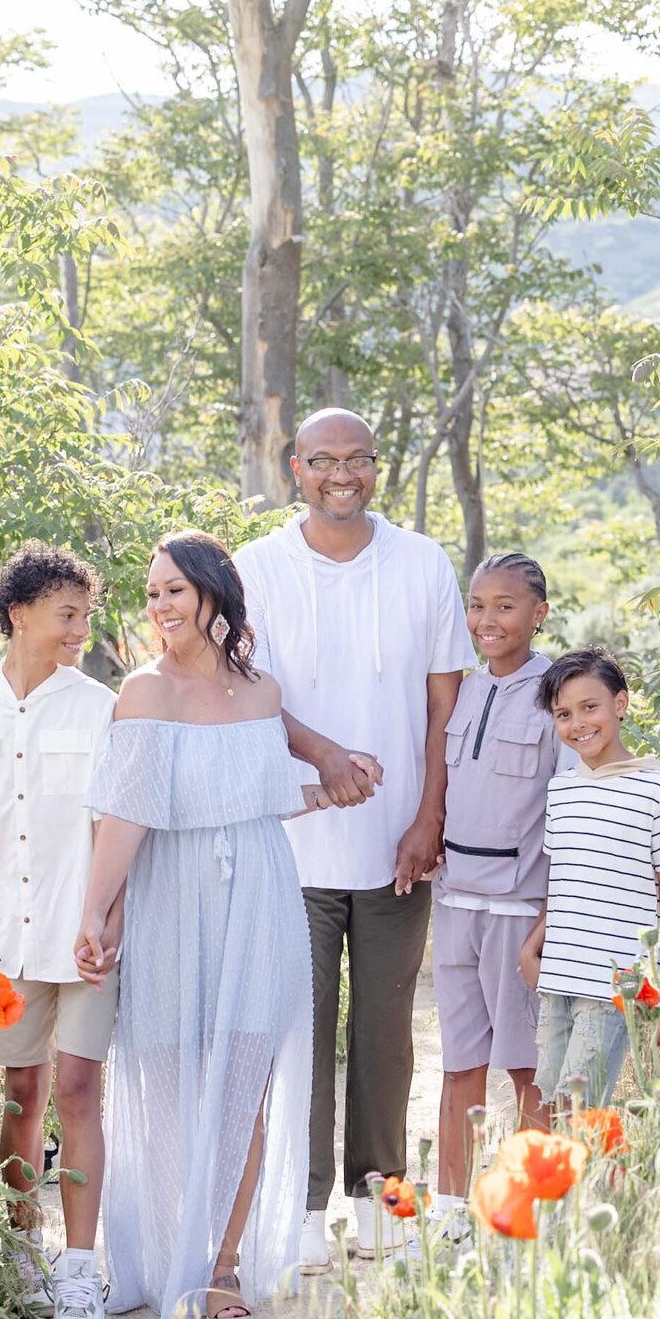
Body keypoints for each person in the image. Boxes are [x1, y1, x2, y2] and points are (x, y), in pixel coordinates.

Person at [75, 530, 348, 1319]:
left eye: (174, 591)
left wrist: (332, 790)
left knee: (244, 1080)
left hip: (258, 890)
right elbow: (126, 816)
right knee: (168, 1076)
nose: (160, 606)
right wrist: (96, 909)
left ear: (213, 594)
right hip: (172, 894)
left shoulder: (261, 691)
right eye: (153, 592)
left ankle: (226, 1266)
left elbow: (259, 795)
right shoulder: (145, 693)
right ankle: (174, 1255)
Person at [234, 408, 471, 1274]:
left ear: (378, 466)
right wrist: (325, 755)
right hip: (291, 842)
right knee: (299, 1030)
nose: (343, 475)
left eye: (358, 460)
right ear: (294, 467)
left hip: (397, 846)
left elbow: (445, 706)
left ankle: (380, 1203)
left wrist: (428, 819)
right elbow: (244, 689)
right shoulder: (255, 568)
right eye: (323, 461)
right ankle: (298, 1208)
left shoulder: (422, 563)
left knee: (384, 1030)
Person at [0, 541, 118, 1319]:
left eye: (84, 614)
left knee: (77, 1089)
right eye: (66, 614)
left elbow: (112, 827)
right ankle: (18, 1254)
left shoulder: (100, 707)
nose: (80, 629)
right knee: (17, 1094)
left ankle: (79, 1273)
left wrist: (103, 919)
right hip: (5, 937)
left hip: (83, 937)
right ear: (20, 614)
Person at [427, 553, 571, 1241]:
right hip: (455, 906)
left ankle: (529, 1214)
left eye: (505, 605)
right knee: (459, 1066)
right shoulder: (462, 690)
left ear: (538, 613)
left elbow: (569, 811)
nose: (488, 619)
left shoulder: (558, 696)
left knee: (527, 1070)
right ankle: (451, 1218)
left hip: (520, 915)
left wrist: (551, 916)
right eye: (478, 604)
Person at [519, 648, 660, 1110]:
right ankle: (571, 1186)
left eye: (589, 707)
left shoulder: (655, 788)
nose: (578, 723)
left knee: (580, 1108)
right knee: (552, 1105)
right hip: (559, 975)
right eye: (563, 714)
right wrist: (532, 946)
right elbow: (566, 880)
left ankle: (590, 1183)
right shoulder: (562, 790)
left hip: (615, 982)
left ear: (620, 703)